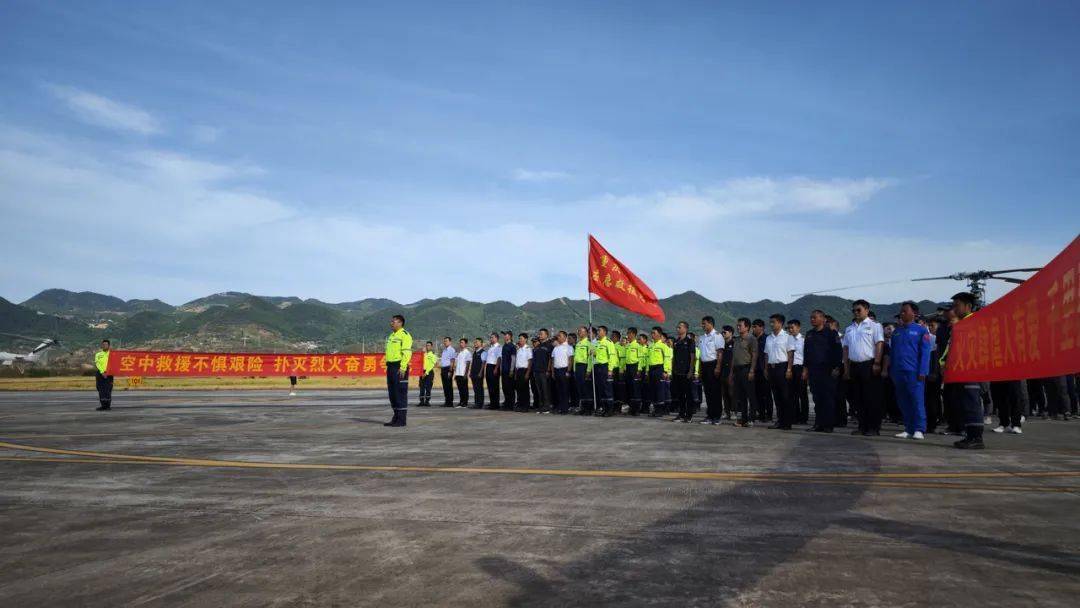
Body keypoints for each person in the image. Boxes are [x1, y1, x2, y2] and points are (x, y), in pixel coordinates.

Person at [940, 292, 985, 449]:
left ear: (968, 306)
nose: (954, 308)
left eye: (957, 305)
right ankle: (969, 435)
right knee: (963, 403)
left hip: (969, 369)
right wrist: (943, 362)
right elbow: (951, 347)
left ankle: (976, 437)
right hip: (958, 370)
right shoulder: (959, 324)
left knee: (971, 403)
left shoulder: (973, 323)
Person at [889, 302, 932, 440]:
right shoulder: (896, 331)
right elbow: (893, 353)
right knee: (903, 401)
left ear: (914, 313)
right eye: (901, 311)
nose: (902, 313)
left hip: (914, 372)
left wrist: (923, 371)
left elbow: (925, 353)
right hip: (898, 372)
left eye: (904, 311)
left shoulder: (921, 331)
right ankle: (908, 428)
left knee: (916, 400)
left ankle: (919, 429)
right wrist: (892, 371)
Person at [843, 300, 885, 437]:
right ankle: (862, 426)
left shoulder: (874, 326)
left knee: (871, 397)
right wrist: (846, 369)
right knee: (858, 398)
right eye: (854, 310)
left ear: (866, 310)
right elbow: (846, 349)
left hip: (869, 364)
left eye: (858, 310)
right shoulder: (850, 328)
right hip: (854, 365)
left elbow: (879, 344)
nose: (856, 312)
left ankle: (873, 427)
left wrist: (877, 362)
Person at [803, 310, 841, 432]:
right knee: (817, 398)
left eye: (814, 317)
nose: (812, 319)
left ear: (823, 319)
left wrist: (836, 367)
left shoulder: (831, 333)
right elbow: (806, 353)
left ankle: (828, 425)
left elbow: (838, 351)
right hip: (814, 370)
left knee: (828, 398)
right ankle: (818, 424)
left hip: (828, 370)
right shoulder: (809, 334)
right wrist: (805, 369)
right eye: (811, 317)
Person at [764, 314, 795, 429]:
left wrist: (789, 369)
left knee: (785, 396)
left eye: (773, 322)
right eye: (770, 322)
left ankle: (787, 423)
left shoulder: (787, 336)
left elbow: (790, 354)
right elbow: (766, 354)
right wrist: (766, 369)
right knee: (776, 396)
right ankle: (780, 420)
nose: (771, 324)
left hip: (783, 367)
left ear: (780, 323)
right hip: (772, 368)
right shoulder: (769, 337)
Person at [728, 318, 758, 427]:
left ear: (747, 327)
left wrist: (752, 370)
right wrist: (731, 373)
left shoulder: (751, 339)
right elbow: (733, 358)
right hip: (737, 369)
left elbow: (754, 355)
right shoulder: (736, 340)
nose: (738, 327)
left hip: (747, 368)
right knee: (741, 396)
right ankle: (743, 419)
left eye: (740, 325)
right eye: (737, 325)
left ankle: (752, 418)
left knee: (751, 395)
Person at [383, 314, 412, 427]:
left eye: (393, 321)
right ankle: (396, 416)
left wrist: (403, 367)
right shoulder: (391, 336)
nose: (391, 323)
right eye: (391, 321)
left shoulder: (405, 335)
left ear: (400, 323)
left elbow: (407, 352)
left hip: (399, 366)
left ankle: (401, 419)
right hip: (390, 366)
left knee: (400, 393)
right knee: (392, 393)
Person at [698, 316, 725, 425]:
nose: (702, 325)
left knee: (715, 392)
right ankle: (710, 415)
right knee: (708, 392)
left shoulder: (717, 336)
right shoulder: (702, 337)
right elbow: (701, 355)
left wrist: (718, 367)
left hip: (713, 365)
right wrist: (700, 368)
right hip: (704, 365)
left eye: (704, 323)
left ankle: (717, 416)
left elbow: (720, 353)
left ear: (710, 323)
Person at [670, 322, 696, 422]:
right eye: (677, 327)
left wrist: (690, 371)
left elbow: (693, 357)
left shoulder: (690, 341)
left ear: (685, 329)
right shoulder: (676, 341)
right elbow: (674, 357)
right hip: (677, 371)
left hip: (686, 372)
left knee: (688, 394)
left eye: (679, 327)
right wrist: (673, 370)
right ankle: (681, 414)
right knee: (680, 394)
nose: (677, 329)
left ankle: (688, 415)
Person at [787, 319, 809, 424]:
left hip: (801, 368)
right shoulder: (788, 339)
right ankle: (795, 416)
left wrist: (805, 371)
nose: (790, 330)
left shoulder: (804, 340)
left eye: (792, 327)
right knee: (793, 394)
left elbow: (807, 357)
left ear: (798, 327)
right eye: (789, 328)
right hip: (791, 368)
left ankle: (804, 418)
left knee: (802, 394)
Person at [752, 319, 773, 421]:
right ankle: (760, 413)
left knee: (766, 393)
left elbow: (767, 354)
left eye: (755, 326)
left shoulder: (767, 339)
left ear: (761, 327)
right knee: (757, 393)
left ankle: (768, 414)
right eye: (753, 326)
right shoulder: (753, 339)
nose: (754, 329)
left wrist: (766, 369)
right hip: (755, 369)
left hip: (764, 369)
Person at [924, 317, 943, 432]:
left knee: (933, 400)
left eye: (933, 326)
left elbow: (936, 359)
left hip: (934, 374)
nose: (930, 328)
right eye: (929, 325)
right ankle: (930, 423)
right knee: (928, 399)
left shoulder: (936, 340)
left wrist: (934, 373)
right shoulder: (928, 338)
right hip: (927, 373)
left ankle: (932, 423)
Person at [594, 326, 617, 416]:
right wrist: (594, 354)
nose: (598, 332)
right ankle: (604, 408)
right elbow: (599, 356)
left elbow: (612, 357)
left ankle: (609, 409)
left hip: (605, 367)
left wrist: (610, 369)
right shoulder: (597, 343)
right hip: (598, 366)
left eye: (599, 330)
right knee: (601, 389)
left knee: (607, 389)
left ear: (604, 332)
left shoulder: (608, 342)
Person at [647, 327, 669, 417]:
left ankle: (660, 410)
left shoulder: (663, 346)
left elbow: (667, 358)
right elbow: (649, 359)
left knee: (660, 390)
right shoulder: (651, 346)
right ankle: (655, 409)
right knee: (653, 390)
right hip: (651, 369)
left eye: (654, 333)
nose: (652, 334)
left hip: (659, 369)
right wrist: (648, 371)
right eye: (651, 333)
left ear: (659, 334)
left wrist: (665, 371)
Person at [531, 329, 554, 413]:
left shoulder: (549, 346)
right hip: (537, 371)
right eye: (539, 334)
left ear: (546, 335)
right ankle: (541, 406)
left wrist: (548, 370)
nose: (539, 335)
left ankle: (547, 406)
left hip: (544, 371)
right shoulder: (538, 346)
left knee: (545, 389)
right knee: (539, 390)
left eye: (541, 334)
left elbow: (551, 359)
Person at [551, 331, 573, 414]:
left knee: (565, 390)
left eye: (559, 336)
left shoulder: (568, 347)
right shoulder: (555, 348)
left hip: (564, 370)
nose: (558, 337)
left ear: (565, 337)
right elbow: (553, 361)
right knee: (558, 390)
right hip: (556, 370)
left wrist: (568, 371)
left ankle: (565, 408)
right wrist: (553, 372)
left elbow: (570, 360)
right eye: (557, 336)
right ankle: (560, 407)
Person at [573, 326, 594, 414]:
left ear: (586, 333)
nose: (579, 333)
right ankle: (582, 408)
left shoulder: (589, 344)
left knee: (586, 388)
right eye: (578, 331)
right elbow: (575, 358)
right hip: (577, 367)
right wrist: (574, 369)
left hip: (584, 366)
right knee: (580, 388)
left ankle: (588, 409)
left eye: (581, 331)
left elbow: (590, 358)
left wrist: (588, 370)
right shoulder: (578, 344)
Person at [623, 327, 643, 415]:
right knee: (629, 388)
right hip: (628, 367)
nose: (628, 335)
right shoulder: (627, 346)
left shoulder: (638, 346)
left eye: (630, 333)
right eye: (628, 333)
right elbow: (625, 359)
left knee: (636, 389)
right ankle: (631, 407)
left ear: (634, 334)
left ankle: (637, 409)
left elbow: (641, 359)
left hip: (635, 367)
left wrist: (639, 370)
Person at [719, 325, 735, 420]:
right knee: (724, 393)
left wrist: (732, 373)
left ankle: (733, 411)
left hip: (731, 370)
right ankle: (727, 411)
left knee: (731, 392)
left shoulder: (734, 343)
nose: (723, 334)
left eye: (725, 332)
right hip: (722, 371)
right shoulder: (721, 344)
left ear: (731, 333)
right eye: (722, 332)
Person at [513, 333, 532, 411]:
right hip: (518, 371)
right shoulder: (519, 350)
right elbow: (517, 362)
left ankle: (525, 406)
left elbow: (530, 362)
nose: (519, 340)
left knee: (525, 389)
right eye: (519, 338)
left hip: (525, 370)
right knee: (519, 389)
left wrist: (527, 373)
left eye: (521, 338)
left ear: (526, 339)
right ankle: (520, 405)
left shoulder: (528, 349)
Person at [93, 339, 114, 411]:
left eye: (106, 344)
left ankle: (108, 405)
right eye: (103, 344)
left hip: (109, 374)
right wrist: (102, 372)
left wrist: (107, 372)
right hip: (100, 374)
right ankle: (103, 405)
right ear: (102, 345)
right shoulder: (98, 354)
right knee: (101, 389)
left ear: (109, 346)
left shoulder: (112, 354)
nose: (104, 346)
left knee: (108, 390)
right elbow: (97, 363)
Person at [500, 331, 517, 410]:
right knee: (505, 387)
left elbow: (513, 359)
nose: (505, 337)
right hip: (503, 370)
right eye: (504, 335)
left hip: (509, 371)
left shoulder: (512, 346)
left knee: (510, 388)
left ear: (510, 336)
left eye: (506, 335)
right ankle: (506, 403)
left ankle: (511, 404)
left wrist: (511, 370)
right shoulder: (504, 346)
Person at [484, 333, 501, 410]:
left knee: (495, 386)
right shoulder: (490, 348)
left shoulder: (498, 347)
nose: (491, 339)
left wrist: (496, 368)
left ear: (497, 338)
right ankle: (492, 403)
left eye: (492, 338)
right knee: (490, 386)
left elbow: (499, 359)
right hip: (489, 367)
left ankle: (495, 404)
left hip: (494, 367)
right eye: (490, 338)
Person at [453, 338, 471, 408]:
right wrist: (455, 374)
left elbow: (468, 363)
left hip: (463, 374)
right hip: (458, 374)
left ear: (466, 344)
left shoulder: (467, 353)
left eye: (462, 343)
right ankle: (461, 402)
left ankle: (465, 402)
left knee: (464, 389)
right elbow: (457, 364)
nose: (461, 344)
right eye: (460, 342)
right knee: (460, 389)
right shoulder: (459, 353)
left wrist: (466, 374)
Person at [439, 337, 456, 407]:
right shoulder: (444, 351)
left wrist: (450, 370)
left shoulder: (452, 350)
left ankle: (450, 402)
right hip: (443, 369)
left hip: (448, 369)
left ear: (450, 342)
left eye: (446, 341)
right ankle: (447, 401)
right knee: (445, 386)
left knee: (449, 386)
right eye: (444, 341)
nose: (445, 342)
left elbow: (452, 361)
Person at [418, 341, 437, 406]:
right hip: (422, 372)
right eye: (426, 345)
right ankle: (421, 401)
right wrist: (422, 353)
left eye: (429, 345)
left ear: (431, 347)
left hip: (429, 372)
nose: (427, 346)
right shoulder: (423, 355)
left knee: (428, 387)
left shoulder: (433, 355)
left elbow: (432, 365)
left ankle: (427, 401)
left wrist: (426, 373)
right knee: (421, 387)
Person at [469, 337, 486, 409]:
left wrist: (481, 372)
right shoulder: (474, 353)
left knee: (479, 389)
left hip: (479, 373)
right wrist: (470, 372)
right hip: (473, 373)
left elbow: (483, 363)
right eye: (475, 342)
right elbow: (473, 363)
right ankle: (476, 403)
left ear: (481, 343)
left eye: (477, 342)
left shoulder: (483, 352)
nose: (475, 343)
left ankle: (480, 404)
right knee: (475, 389)